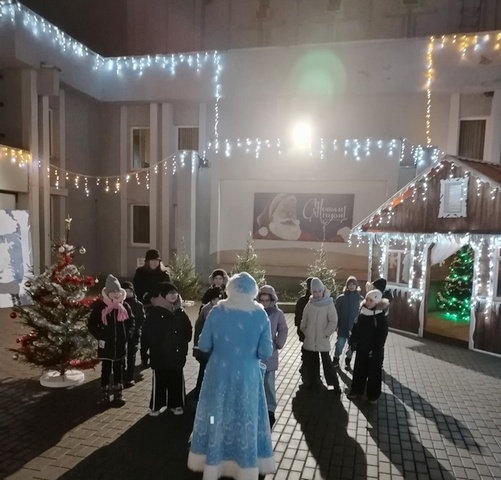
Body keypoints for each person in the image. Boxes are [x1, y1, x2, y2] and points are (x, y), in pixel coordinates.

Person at [187, 272, 275, 480]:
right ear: (253, 291)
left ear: (230, 289)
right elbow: (265, 352)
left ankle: (212, 460)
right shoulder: (260, 314)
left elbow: (204, 344)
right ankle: (245, 464)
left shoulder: (217, 311)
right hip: (248, 375)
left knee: (215, 413)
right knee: (246, 415)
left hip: (218, 373)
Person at [141, 282, 192, 416]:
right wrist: (154, 347)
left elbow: (188, 329)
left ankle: (176, 404)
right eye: (169, 293)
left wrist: (184, 342)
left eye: (175, 292)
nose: (173, 295)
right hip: (160, 354)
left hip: (177, 353)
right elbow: (147, 333)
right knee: (160, 381)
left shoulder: (180, 312)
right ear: (163, 295)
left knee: (176, 380)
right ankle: (156, 406)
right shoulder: (155, 313)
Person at [87, 275, 134, 405]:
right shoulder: (101, 307)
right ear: (107, 293)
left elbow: (131, 322)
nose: (116, 294)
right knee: (106, 368)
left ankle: (119, 392)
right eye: (112, 291)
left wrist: (127, 334)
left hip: (120, 343)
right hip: (106, 344)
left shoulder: (124, 306)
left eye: (117, 291)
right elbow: (91, 323)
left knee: (119, 368)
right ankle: (105, 393)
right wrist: (100, 334)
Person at [347, 289, 389, 404]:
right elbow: (356, 328)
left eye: (371, 300)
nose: (368, 302)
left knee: (374, 373)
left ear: (377, 302)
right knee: (359, 370)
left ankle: (373, 396)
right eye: (367, 299)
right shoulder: (362, 312)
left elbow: (382, 335)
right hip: (362, 348)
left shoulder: (380, 316)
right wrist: (353, 341)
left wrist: (376, 349)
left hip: (374, 351)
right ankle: (356, 390)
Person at [300, 277, 340, 393]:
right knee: (312, 362)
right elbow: (304, 319)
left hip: (322, 338)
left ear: (323, 290)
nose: (317, 294)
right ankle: (314, 381)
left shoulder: (329, 303)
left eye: (319, 291)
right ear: (311, 292)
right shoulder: (310, 304)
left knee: (327, 361)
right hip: (310, 339)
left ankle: (334, 383)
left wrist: (326, 333)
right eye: (314, 292)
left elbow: (333, 321)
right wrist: (305, 330)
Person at [258, 284, 288, 428]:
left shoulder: (277, 313)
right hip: (255, 354)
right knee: (256, 383)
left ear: (272, 300)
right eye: (262, 300)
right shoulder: (255, 312)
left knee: (268, 383)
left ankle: (270, 409)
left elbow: (283, 329)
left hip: (270, 353)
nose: (264, 303)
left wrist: (278, 343)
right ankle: (257, 408)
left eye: (267, 300)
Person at [191, 286, 224, 400]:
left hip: (219, 348)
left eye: (219, 299)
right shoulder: (205, 310)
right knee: (203, 371)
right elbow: (199, 329)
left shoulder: (225, 309)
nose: (217, 302)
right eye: (214, 299)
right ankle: (198, 395)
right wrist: (197, 348)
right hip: (206, 348)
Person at [334, 276, 363, 370]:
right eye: (349, 284)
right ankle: (336, 359)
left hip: (354, 328)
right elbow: (336, 313)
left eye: (353, 284)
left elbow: (362, 313)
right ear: (347, 286)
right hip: (343, 326)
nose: (351, 286)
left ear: (356, 286)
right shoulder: (341, 298)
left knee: (352, 346)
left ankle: (348, 360)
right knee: (339, 344)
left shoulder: (360, 299)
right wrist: (336, 325)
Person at [121, 281, 146, 387]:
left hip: (134, 334)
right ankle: (122, 376)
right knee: (121, 356)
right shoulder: (119, 304)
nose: (127, 293)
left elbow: (142, 318)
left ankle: (130, 377)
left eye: (129, 291)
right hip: (122, 334)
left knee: (131, 356)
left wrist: (136, 329)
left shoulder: (138, 304)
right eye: (125, 291)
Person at [294, 277, 313, 384]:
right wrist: (299, 328)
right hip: (305, 330)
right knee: (307, 349)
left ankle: (308, 367)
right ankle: (306, 366)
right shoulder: (303, 301)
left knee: (309, 350)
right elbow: (298, 316)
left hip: (311, 330)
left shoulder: (315, 300)